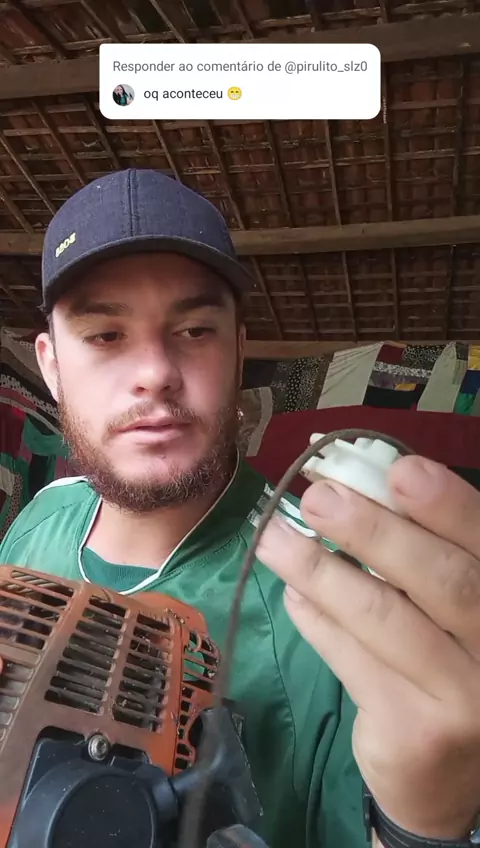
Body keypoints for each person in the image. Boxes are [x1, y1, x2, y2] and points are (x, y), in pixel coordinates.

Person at [1, 169, 480, 848]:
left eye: (195, 330)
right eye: (105, 335)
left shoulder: (343, 602)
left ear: (238, 351)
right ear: (50, 365)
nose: (156, 372)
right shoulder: (38, 518)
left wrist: (424, 826)